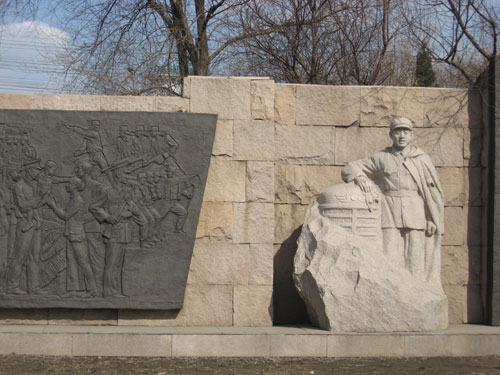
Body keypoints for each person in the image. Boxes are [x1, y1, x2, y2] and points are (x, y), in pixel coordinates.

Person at [341, 117, 444, 285]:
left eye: (406, 131)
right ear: (391, 134)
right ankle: (392, 293)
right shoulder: (381, 158)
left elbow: (430, 191)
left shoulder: (421, 158)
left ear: (411, 135)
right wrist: (360, 178)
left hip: (415, 211)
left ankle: (416, 294)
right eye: (398, 132)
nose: (402, 135)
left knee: (415, 258)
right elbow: (350, 167)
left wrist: (431, 217)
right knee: (389, 256)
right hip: (389, 211)